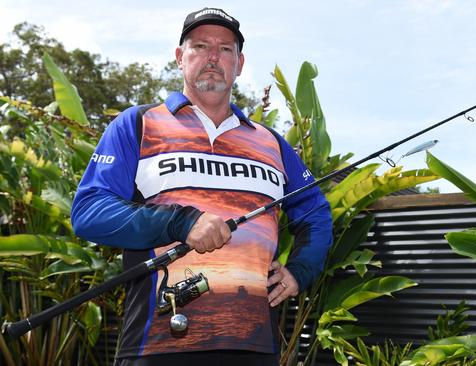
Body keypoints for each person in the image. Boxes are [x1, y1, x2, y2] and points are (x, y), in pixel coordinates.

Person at [70, 7, 332, 366]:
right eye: (200, 46)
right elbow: (88, 213)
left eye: (226, 49)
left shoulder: (271, 142)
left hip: (256, 348)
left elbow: (316, 213)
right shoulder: (138, 124)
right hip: (156, 345)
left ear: (239, 63)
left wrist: (300, 271)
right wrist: (181, 221)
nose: (213, 57)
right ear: (180, 57)